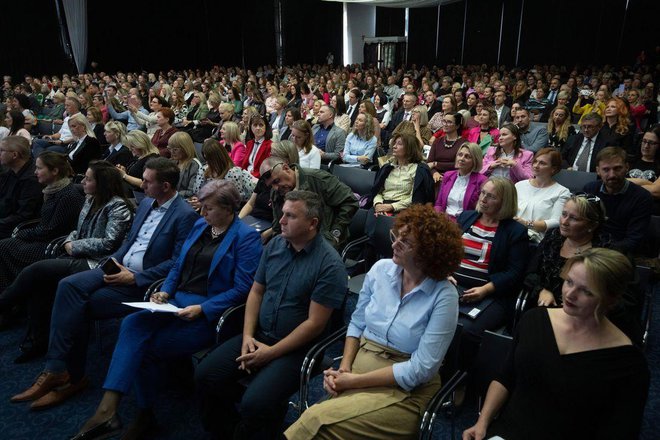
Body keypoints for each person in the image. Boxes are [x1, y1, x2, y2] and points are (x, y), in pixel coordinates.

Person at [70, 180, 262, 440]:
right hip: (175, 302)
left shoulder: (246, 237)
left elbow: (243, 289)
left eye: (209, 208)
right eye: (202, 207)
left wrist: (203, 308)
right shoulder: (200, 225)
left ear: (229, 208)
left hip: (208, 312)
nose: (202, 213)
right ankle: (108, 407)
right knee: (131, 324)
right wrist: (166, 291)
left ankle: (143, 414)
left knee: (145, 347)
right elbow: (177, 267)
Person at [11, 157, 198, 409]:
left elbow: (178, 262)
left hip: (141, 282)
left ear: (165, 186)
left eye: (147, 181)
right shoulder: (145, 205)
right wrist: (113, 262)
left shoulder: (184, 215)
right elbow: (128, 243)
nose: (141, 184)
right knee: (67, 286)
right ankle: (56, 369)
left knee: (81, 305)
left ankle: (71, 377)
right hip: (116, 267)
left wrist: (135, 277)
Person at [285, 205, 463, 439]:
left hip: (406, 391)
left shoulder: (444, 296)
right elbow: (357, 324)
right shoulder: (380, 270)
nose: (394, 245)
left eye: (405, 242)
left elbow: (420, 370)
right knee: (316, 423)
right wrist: (344, 368)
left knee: (316, 424)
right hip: (358, 369)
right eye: (396, 236)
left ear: (429, 252)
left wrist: (353, 382)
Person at [195, 190, 347, 439]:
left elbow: (314, 325)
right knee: (205, 375)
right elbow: (256, 292)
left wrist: (270, 354)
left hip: (297, 349)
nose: (281, 221)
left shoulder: (329, 265)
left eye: (290, 216)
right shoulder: (275, 244)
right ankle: (230, 429)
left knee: (255, 402)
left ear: (312, 224)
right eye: (282, 214)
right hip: (259, 335)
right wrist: (246, 337)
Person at [463, 248, 649, 440]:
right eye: (569, 282)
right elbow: (506, 377)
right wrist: (482, 422)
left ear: (611, 299)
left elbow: (620, 431)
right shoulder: (535, 320)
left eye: (586, 291)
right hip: (510, 431)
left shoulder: (628, 364)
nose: (570, 294)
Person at [0, 161, 133, 362]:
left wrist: (74, 246)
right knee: (39, 283)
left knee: (36, 270)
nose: (83, 182)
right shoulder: (90, 200)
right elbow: (76, 230)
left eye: (88, 179)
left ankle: (4, 303)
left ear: (102, 183)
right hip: (77, 255)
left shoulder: (117, 206)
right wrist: (71, 242)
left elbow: (109, 243)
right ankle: (39, 340)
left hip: (98, 263)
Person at [454, 177, 529, 364]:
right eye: (483, 193)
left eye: (491, 196)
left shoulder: (515, 231)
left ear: (504, 203)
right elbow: (446, 250)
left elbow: (515, 272)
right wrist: (445, 274)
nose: (483, 199)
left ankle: (460, 377)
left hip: (492, 295)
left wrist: (486, 289)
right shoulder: (466, 217)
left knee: (467, 332)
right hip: (453, 285)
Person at [0, 152, 85, 295]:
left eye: (39, 168)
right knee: (4, 245)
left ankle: (9, 296)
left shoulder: (68, 195)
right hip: (44, 238)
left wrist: (23, 234)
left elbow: (51, 230)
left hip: (53, 245)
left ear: (55, 171)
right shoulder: (52, 191)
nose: (35, 172)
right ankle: (9, 292)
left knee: (3, 247)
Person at [260, 156, 358, 248]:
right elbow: (278, 225)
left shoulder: (318, 180)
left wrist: (335, 233)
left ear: (286, 168)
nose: (275, 188)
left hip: (323, 242)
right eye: (271, 185)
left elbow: (349, 201)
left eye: (276, 181)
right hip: (292, 244)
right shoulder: (277, 192)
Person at [533, 194, 609, 307]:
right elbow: (531, 272)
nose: (564, 222)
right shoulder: (553, 237)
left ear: (592, 225)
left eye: (573, 218)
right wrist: (542, 290)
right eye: (564, 214)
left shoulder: (606, 251)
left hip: (586, 313)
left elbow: (613, 295)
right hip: (544, 304)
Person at [583, 147, 652, 255]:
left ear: (627, 167)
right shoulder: (590, 190)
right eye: (606, 169)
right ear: (598, 171)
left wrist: (600, 252)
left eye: (617, 168)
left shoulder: (642, 197)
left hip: (620, 254)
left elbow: (634, 239)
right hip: (589, 248)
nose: (612, 175)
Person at [368, 133, 434, 218]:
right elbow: (378, 191)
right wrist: (378, 204)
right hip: (382, 204)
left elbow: (417, 198)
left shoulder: (419, 170)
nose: (394, 146)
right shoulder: (387, 167)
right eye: (394, 143)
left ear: (410, 149)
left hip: (405, 209)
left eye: (399, 144)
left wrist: (392, 207)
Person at [514, 148, 570, 242]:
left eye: (542, 163)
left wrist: (526, 224)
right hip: (512, 234)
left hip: (537, 240)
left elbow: (556, 221)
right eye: (535, 161)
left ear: (553, 169)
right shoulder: (519, 185)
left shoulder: (562, 192)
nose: (536, 166)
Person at [0, 136, 43, 238]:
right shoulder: (9, 170)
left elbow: (23, 216)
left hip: (15, 229)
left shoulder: (31, 180)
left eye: (1, 151)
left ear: (14, 155)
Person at [434, 142, 487, 220]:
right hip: (443, 220)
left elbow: (480, 211)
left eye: (467, 156)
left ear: (475, 160)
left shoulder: (482, 181)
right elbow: (439, 204)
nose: (461, 159)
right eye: (460, 155)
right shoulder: (448, 175)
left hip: (465, 222)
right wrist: (438, 217)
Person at [192, 139, 255, 203]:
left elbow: (235, 200)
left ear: (218, 158)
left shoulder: (233, 172)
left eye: (210, 159)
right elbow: (197, 192)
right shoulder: (203, 170)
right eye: (205, 158)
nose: (207, 162)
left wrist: (205, 203)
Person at [427, 112, 468, 183]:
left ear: (457, 126)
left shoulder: (463, 143)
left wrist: (436, 164)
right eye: (444, 121)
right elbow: (429, 163)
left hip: (454, 176)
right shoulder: (437, 141)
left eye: (449, 122)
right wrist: (434, 173)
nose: (445, 124)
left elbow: (459, 164)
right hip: (435, 176)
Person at [167, 131, 202, 198]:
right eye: (169, 148)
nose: (171, 152)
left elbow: (192, 192)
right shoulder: (172, 162)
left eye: (175, 149)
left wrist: (171, 195)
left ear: (185, 148)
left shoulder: (194, 165)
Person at [240, 114, 273, 178]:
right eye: (255, 125)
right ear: (251, 127)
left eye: (261, 125)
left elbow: (266, 170)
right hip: (245, 174)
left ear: (266, 127)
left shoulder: (270, 145)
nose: (258, 128)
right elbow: (245, 164)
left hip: (258, 178)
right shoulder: (249, 143)